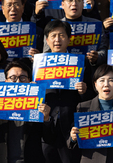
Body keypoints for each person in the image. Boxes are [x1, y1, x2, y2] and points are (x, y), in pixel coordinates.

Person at [0, 60, 54, 163]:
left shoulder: (38, 104)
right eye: (13, 78)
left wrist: (46, 118)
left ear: (29, 80)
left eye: (22, 78)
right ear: (6, 81)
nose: (18, 82)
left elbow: (50, 139)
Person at [68, 64, 113, 163]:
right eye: (102, 80)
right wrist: (73, 138)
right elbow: (70, 144)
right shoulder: (82, 107)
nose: (106, 84)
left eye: (111, 80)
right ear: (95, 85)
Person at [41, 20, 88, 163]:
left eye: (61, 35)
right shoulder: (38, 63)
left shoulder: (81, 62)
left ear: (69, 39)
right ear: (47, 40)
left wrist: (84, 91)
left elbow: (91, 96)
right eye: (53, 35)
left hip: (72, 127)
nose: (57, 39)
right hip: (46, 126)